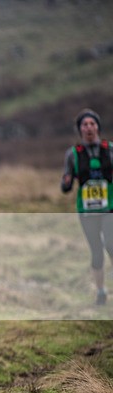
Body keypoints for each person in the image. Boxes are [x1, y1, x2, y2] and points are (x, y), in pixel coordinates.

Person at [61, 108, 113, 305]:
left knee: (111, 244)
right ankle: (101, 291)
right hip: (87, 211)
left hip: (110, 208)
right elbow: (65, 186)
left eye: (92, 124)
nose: (89, 128)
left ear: (98, 127)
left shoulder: (110, 149)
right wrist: (66, 181)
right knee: (96, 251)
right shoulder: (73, 154)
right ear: (80, 129)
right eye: (85, 124)